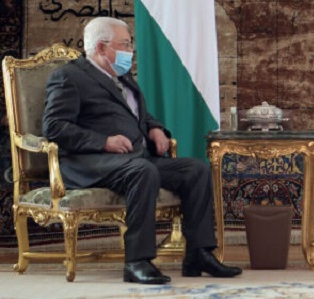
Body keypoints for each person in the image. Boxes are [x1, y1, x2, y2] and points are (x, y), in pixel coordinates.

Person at [42, 17, 242, 284]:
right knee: (143, 171)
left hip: (135, 159)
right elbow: (54, 127)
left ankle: (199, 253)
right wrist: (103, 141)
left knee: (196, 170)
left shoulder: (122, 76)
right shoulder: (69, 77)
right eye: (125, 44)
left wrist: (155, 128)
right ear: (101, 48)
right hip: (94, 163)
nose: (130, 50)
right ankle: (137, 262)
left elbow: (139, 115)